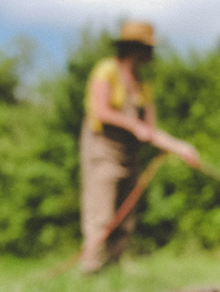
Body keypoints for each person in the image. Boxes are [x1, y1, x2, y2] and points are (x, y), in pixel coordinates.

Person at [79, 20, 200, 273]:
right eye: (148, 47)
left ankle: (113, 268)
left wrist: (181, 148)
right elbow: (101, 111)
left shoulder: (143, 86)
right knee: (101, 213)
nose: (152, 52)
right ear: (135, 47)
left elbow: (150, 131)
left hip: (129, 152)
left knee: (125, 216)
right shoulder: (107, 70)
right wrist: (133, 125)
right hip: (103, 149)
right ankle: (91, 268)